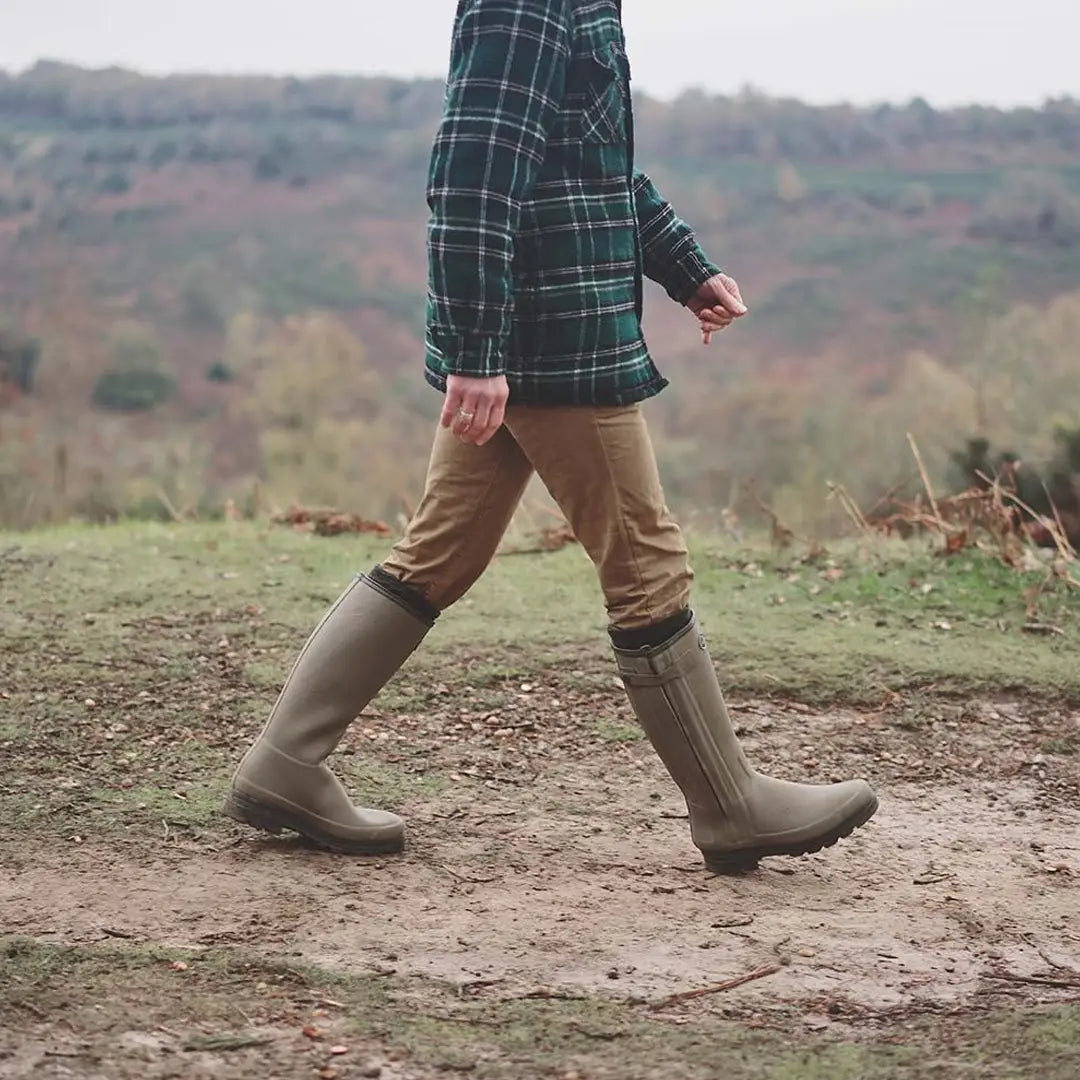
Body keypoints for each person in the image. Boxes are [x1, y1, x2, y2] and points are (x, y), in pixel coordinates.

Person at [224, 0, 878, 872]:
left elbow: (592, 169)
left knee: (436, 554)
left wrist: (686, 268)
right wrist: (477, 352)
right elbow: (472, 176)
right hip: (553, 339)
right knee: (645, 560)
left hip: (537, 332)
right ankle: (730, 806)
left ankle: (285, 763)